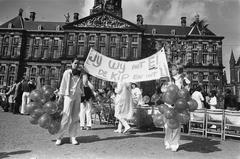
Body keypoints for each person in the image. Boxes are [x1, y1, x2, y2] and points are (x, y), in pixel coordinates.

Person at [163, 64, 190, 152]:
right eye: (171, 69)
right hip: (168, 104)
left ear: (178, 70)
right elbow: (162, 90)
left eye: (174, 69)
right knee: (167, 125)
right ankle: (167, 141)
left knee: (176, 125)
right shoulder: (168, 80)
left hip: (178, 104)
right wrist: (166, 87)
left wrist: (184, 84)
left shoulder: (183, 79)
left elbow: (187, 90)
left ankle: (174, 143)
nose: (172, 71)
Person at [55, 58, 83, 146]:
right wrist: (60, 95)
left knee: (75, 117)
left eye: (78, 64)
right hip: (68, 96)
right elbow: (63, 84)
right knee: (66, 116)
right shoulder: (67, 72)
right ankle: (59, 137)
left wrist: (82, 94)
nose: (77, 65)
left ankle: (73, 137)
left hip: (77, 95)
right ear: (71, 64)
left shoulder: (81, 74)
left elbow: (82, 85)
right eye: (75, 63)